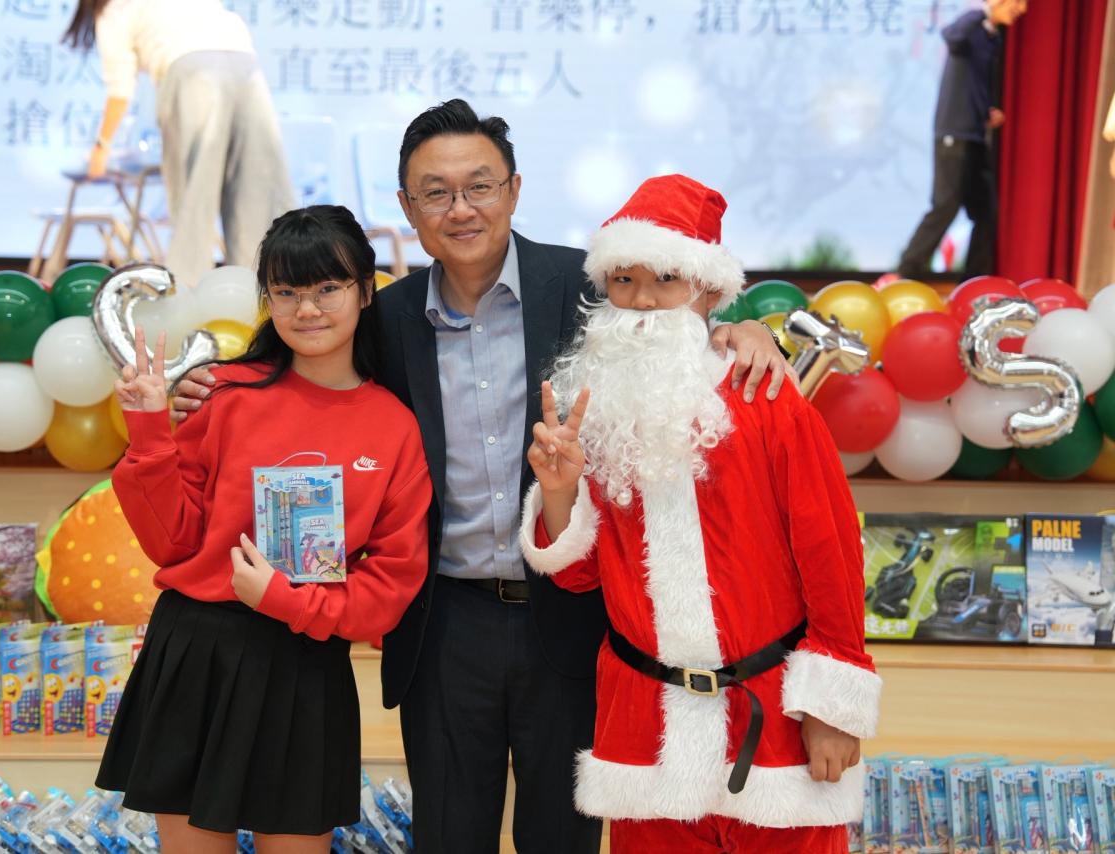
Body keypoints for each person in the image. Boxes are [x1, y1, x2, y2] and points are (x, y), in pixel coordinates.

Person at [174, 99, 790, 854]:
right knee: (449, 837)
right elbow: (304, 353)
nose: (460, 209)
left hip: (570, 615)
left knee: (561, 839)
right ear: (407, 208)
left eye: (480, 186)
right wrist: (212, 382)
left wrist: (744, 328)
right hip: (443, 625)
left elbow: (670, 314)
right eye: (435, 192)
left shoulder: (585, 287)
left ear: (515, 190)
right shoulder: (385, 317)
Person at [519, 174, 881, 853]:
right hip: (647, 735)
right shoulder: (598, 411)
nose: (642, 300)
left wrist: (832, 708)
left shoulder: (769, 400)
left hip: (773, 723)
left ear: (709, 290)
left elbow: (831, 554)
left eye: (666, 278)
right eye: (623, 280)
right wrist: (560, 492)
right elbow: (579, 577)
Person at [98, 206, 430, 854]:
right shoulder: (223, 393)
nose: (307, 309)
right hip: (198, 653)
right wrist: (149, 429)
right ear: (267, 300)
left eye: (328, 288)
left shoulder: (394, 426)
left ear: (366, 291)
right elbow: (172, 541)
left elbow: (391, 585)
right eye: (286, 292)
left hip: (307, 661)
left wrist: (287, 601)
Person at [62, 0, 296, 288]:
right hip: (244, 60)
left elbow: (120, 90)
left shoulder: (113, 9)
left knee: (194, 201)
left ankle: (188, 298)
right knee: (257, 197)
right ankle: (265, 297)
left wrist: (101, 148)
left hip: (191, 70)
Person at [897, 0, 1029, 281]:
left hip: (975, 136)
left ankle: (974, 281)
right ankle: (907, 272)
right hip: (954, 134)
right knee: (945, 206)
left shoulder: (991, 38)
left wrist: (986, 112)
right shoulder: (969, 27)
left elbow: (973, 85)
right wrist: (985, 10)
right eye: (1018, 2)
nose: (1022, 10)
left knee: (985, 212)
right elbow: (951, 35)